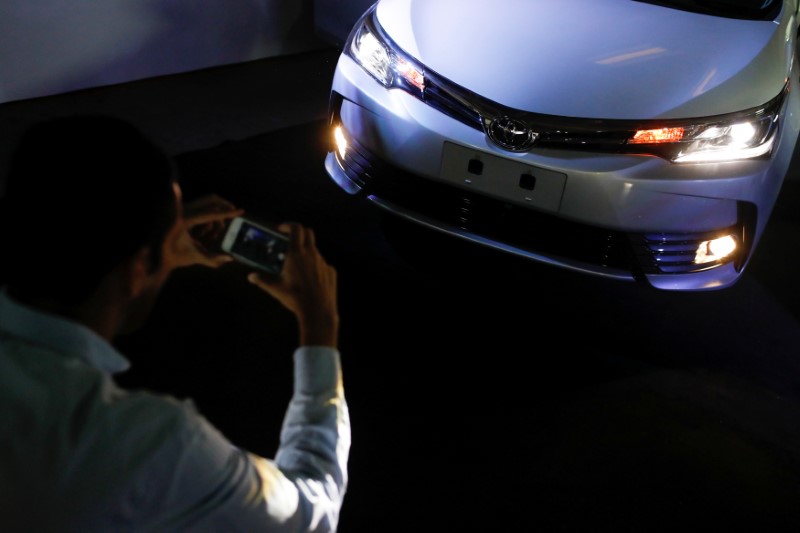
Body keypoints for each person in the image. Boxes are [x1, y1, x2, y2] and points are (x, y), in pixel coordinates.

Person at [0, 114, 350, 532]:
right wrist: (319, 326)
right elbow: (310, 509)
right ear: (136, 271)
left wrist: (152, 247)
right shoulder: (156, 446)